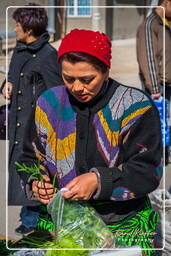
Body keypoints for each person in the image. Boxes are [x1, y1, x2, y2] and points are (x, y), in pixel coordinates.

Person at [20, 29, 162, 255]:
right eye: (68, 78)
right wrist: (36, 181)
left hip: (123, 224)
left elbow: (148, 171)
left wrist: (99, 180)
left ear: (106, 71)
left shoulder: (135, 107)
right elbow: (28, 155)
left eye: (87, 79)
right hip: (62, 224)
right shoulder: (48, 103)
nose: (77, 87)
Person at [1, 3, 63, 235]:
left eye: (17, 24)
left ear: (28, 28)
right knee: (23, 172)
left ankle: (38, 223)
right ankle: (29, 219)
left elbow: (57, 98)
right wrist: (5, 85)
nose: (14, 28)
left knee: (38, 174)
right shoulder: (19, 50)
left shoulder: (48, 57)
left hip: (35, 129)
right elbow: (12, 78)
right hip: (17, 124)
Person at [136, 0, 171, 164]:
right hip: (158, 87)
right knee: (157, 124)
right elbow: (148, 57)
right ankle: (158, 158)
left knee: (165, 123)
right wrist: (154, 87)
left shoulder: (164, 23)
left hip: (166, 83)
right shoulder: (150, 25)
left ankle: (165, 154)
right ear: (166, 3)